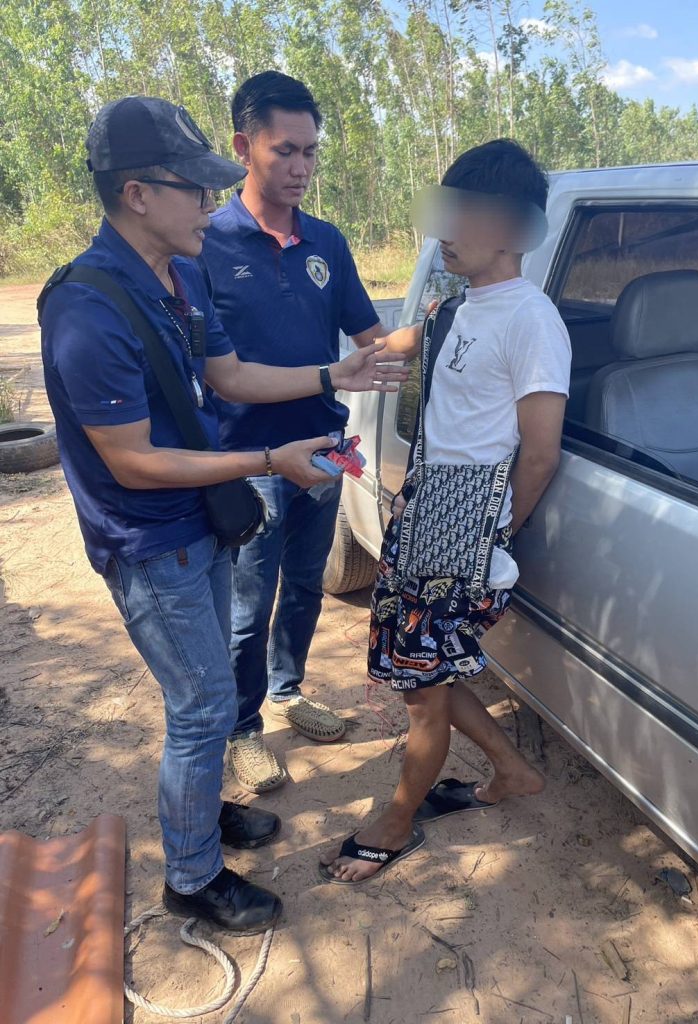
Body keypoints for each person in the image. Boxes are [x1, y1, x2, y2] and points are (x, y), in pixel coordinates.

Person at [39, 95, 407, 930]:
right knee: (203, 706)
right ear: (137, 194)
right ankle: (192, 876)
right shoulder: (87, 308)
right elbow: (131, 460)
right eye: (194, 190)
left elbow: (232, 376)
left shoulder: (179, 277)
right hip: (148, 540)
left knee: (210, 695)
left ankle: (202, 812)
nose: (211, 204)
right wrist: (267, 462)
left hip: (200, 519)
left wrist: (333, 376)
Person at [320, 139, 572, 885]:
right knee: (417, 670)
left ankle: (395, 824)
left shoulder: (531, 320)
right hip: (425, 511)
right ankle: (511, 770)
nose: (444, 231)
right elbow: (396, 348)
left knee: (421, 692)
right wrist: (316, 377)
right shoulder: (457, 308)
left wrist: (491, 537)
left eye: (463, 215)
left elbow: (539, 454)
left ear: (513, 228)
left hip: (465, 527)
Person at [201, 71, 419, 792]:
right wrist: (333, 375)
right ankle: (242, 728)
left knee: (303, 586)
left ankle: (287, 691)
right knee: (246, 603)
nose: (301, 167)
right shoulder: (206, 246)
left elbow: (371, 340)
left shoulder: (326, 241)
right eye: (285, 151)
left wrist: (457, 325)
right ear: (244, 148)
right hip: (252, 460)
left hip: (326, 451)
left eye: (311, 152)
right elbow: (218, 376)